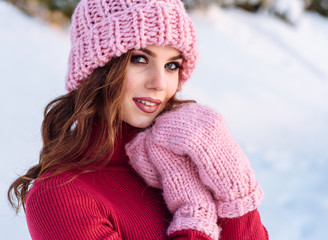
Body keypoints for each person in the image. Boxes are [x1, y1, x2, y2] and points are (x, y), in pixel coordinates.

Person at [8, 0, 268, 239]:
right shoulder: (60, 195)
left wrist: (234, 186)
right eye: (140, 59)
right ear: (98, 68)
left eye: (172, 65)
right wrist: (195, 219)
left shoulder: (184, 160)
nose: (159, 83)